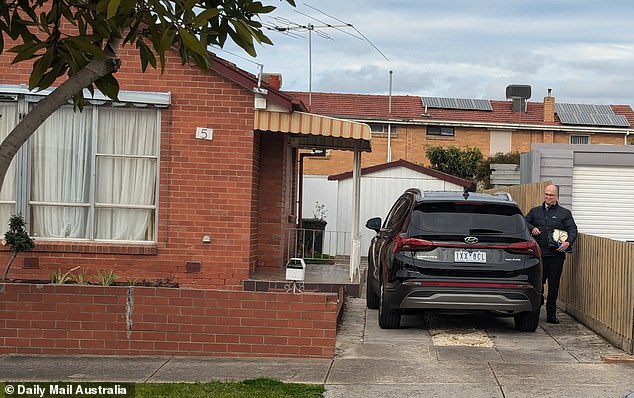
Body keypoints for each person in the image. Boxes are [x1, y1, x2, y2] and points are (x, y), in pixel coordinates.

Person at [525, 184, 578, 324]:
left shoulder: (564, 213)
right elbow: (523, 222)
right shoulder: (535, 211)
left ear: (557, 196)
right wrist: (532, 228)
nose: (548, 197)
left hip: (556, 256)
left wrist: (568, 242)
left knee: (554, 286)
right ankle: (535, 310)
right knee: (537, 284)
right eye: (546, 194)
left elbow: (573, 229)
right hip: (538, 255)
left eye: (551, 195)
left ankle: (551, 314)